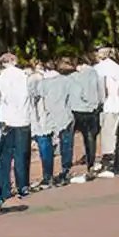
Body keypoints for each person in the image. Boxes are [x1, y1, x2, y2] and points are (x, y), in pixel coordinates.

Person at [0, 53, 33, 204]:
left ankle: (5, 188)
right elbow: (26, 97)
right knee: (21, 155)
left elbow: (0, 97)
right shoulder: (23, 76)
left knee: (5, 157)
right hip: (22, 119)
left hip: (6, 119)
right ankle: (22, 185)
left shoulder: (0, 78)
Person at [34, 61, 73, 190]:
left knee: (47, 147)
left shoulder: (41, 83)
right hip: (64, 116)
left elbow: (38, 100)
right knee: (66, 145)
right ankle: (65, 172)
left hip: (48, 118)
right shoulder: (66, 81)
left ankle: (48, 176)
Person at [66, 54, 104, 182]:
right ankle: (91, 163)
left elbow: (75, 93)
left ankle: (68, 165)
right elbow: (101, 91)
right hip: (92, 109)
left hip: (77, 110)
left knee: (71, 137)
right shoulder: (96, 74)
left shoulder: (74, 76)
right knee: (90, 138)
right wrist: (98, 103)